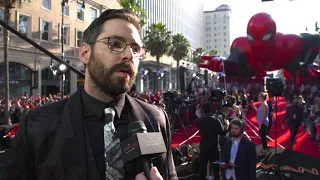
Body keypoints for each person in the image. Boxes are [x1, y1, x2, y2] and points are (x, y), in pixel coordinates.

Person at [5, 9, 177, 180]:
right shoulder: (37, 125)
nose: (129, 55)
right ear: (85, 53)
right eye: (115, 44)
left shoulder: (155, 118)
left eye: (136, 49)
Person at [196, 101, 229, 180]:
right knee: (216, 170)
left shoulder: (199, 121)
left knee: (202, 169)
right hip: (214, 148)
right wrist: (227, 126)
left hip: (203, 147)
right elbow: (222, 134)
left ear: (203, 110)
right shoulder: (216, 121)